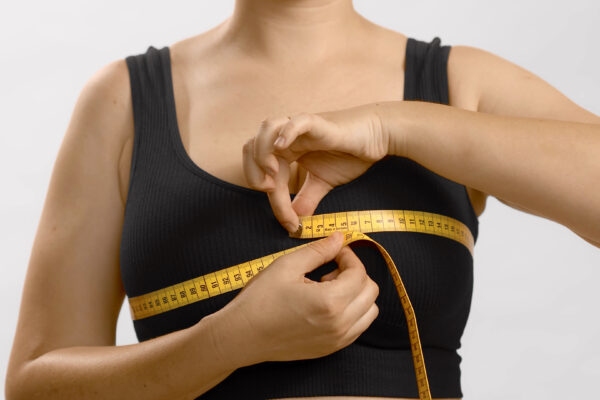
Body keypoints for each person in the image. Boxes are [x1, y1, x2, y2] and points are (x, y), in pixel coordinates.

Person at [5, 1, 600, 400]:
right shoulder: (124, 105)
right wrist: (224, 343)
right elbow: (33, 386)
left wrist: (391, 127)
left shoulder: (459, 84)